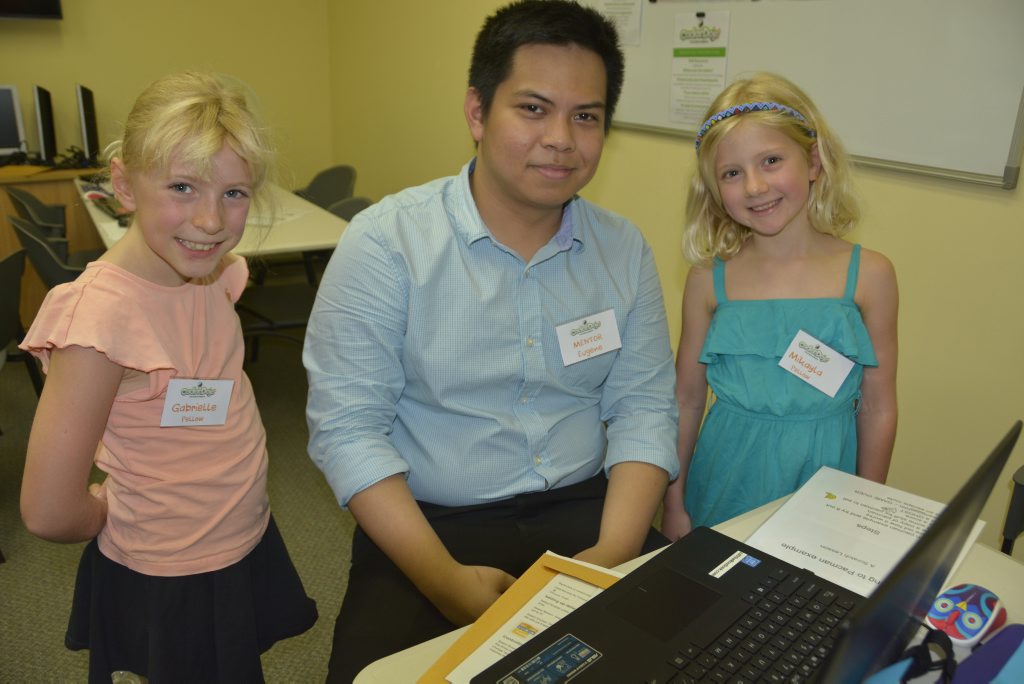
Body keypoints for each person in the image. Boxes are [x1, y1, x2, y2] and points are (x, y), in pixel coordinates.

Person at [303, 0, 678, 679]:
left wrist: (611, 553)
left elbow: (643, 408)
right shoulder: (386, 244)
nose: (562, 137)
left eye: (586, 116)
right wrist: (443, 581)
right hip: (432, 523)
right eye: (533, 109)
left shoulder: (622, 250)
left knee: (702, 651)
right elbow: (347, 430)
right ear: (478, 112)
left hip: (590, 510)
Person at [19, 71, 317, 682]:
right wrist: (107, 513)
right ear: (124, 184)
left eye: (235, 193)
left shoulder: (211, 272)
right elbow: (48, 511)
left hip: (239, 530)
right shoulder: (99, 323)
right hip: (169, 565)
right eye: (183, 187)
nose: (210, 221)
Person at [662, 73, 899, 540]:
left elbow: (878, 407)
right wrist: (673, 503)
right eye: (732, 173)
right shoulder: (709, 281)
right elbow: (686, 401)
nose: (754, 186)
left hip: (826, 488)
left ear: (812, 160)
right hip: (724, 482)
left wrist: (867, 512)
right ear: (713, 187)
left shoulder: (869, 275)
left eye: (771, 160)